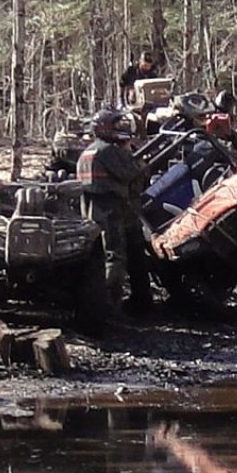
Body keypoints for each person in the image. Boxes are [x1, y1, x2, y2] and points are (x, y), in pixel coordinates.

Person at [76, 108, 152, 317]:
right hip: (114, 210)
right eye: (115, 125)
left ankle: (140, 301)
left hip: (96, 210)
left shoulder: (87, 152)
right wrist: (133, 156)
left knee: (130, 254)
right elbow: (132, 173)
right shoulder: (108, 151)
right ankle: (110, 307)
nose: (120, 129)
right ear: (102, 128)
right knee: (115, 257)